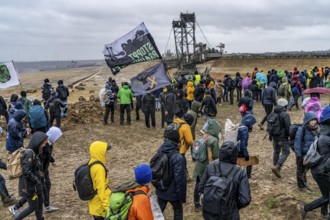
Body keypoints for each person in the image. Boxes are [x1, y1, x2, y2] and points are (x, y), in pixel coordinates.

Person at [198, 141, 251, 219]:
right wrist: (233, 206)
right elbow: (245, 199)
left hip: (211, 213)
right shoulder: (240, 172)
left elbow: (200, 188)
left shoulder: (210, 166)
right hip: (230, 215)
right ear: (235, 154)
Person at [298, 106, 330, 219]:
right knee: (328, 196)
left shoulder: (323, 134)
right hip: (321, 172)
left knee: (326, 194)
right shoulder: (326, 139)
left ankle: (324, 213)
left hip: (319, 170)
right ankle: (306, 208)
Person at [11, 132, 48, 220]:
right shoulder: (29, 153)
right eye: (43, 143)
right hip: (29, 187)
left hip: (36, 185)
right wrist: (36, 180)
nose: (44, 145)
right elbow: (26, 172)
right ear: (37, 142)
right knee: (33, 207)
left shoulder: (35, 152)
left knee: (40, 203)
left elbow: (35, 168)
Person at [155, 129, 186, 220]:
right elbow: (179, 179)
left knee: (157, 212)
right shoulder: (178, 157)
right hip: (174, 192)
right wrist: (181, 196)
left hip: (161, 188)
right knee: (178, 211)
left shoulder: (160, 150)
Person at [192, 119, 221, 211]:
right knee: (208, 185)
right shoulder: (214, 140)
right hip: (208, 166)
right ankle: (207, 204)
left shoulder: (204, 136)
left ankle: (196, 204)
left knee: (198, 184)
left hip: (199, 165)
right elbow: (216, 155)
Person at [294, 112, 319, 192]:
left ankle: (304, 183)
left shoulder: (317, 129)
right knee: (300, 170)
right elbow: (297, 143)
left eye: (315, 120)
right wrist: (299, 155)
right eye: (312, 120)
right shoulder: (301, 129)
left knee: (305, 169)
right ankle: (301, 186)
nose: (313, 122)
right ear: (307, 120)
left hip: (311, 154)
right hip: (302, 154)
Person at [88, 141, 112, 219]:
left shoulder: (92, 162)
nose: (105, 153)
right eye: (104, 152)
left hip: (94, 204)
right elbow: (100, 189)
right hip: (100, 207)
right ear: (99, 152)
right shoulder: (99, 168)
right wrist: (108, 208)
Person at [42, 127, 63, 212]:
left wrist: (52, 161)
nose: (57, 139)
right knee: (43, 187)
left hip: (44, 169)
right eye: (57, 136)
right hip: (40, 170)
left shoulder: (49, 142)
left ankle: (46, 206)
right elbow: (41, 156)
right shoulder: (44, 144)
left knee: (47, 185)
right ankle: (17, 206)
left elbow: (48, 154)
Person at [270, 98, 291, 178]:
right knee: (286, 151)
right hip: (282, 136)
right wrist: (290, 135)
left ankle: (276, 168)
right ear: (285, 105)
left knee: (276, 151)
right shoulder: (285, 114)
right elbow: (288, 127)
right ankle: (277, 166)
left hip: (274, 135)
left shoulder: (274, 112)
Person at [237, 112, 256, 179]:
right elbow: (243, 144)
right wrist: (246, 155)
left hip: (234, 148)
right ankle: (248, 177)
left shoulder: (240, 125)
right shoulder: (244, 129)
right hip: (238, 150)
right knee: (250, 161)